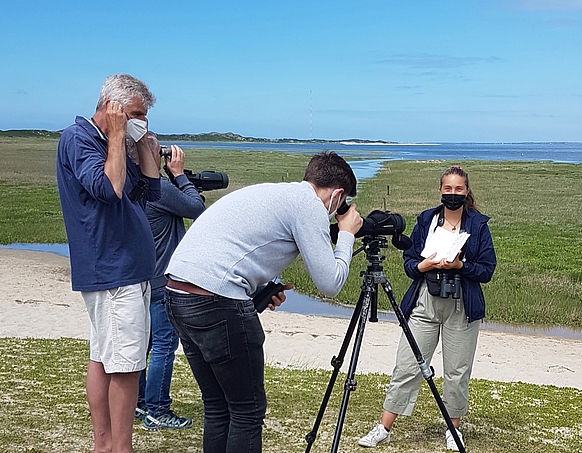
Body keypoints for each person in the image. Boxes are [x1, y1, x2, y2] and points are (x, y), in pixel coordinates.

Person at [164, 151, 363, 453]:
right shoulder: (308, 205)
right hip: (216, 300)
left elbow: (238, 251)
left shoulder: (277, 193)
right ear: (337, 194)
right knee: (247, 411)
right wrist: (346, 234)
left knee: (218, 407)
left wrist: (258, 290)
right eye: (342, 202)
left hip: (178, 293)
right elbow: (331, 284)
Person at [358, 165, 496, 451]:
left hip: (462, 305)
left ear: (466, 191)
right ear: (441, 190)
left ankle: (453, 429)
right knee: (407, 364)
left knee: (457, 371)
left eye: (459, 189)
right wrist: (425, 265)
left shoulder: (479, 225)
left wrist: (461, 266)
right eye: (448, 189)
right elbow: (409, 263)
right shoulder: (426, 220)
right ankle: (384, 426)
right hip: (425, 301)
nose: (453, 194)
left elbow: (486, 270)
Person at [56, 74, 160, 453]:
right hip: (113, 271)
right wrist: (117, 137)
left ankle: (106, 446)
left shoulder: (112, 144)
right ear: (110, 107)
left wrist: (145, 151)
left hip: (126, 270)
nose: (139, 123)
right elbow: (108, 188)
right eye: (134, 114)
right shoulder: (79, 138)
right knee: (126, 366)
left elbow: (144, 196)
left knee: (104, 358)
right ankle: (119, 447)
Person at [135, 135, 205, 430]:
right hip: (164, 280)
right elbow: (198, 210)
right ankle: (157, 409)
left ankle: (137, 403)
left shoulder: (131, 186)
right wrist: (178, 175)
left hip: (140, 278)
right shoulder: (159, 189)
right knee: (164, 344)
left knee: (143, 345)